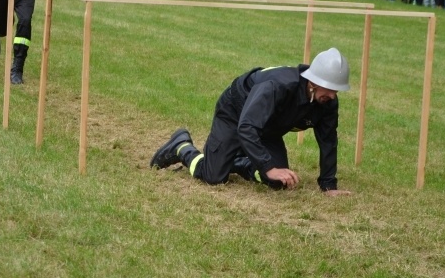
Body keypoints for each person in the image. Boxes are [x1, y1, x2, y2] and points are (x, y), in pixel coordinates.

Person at [150, 47, 353, 194]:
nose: (333, 95)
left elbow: (328, 141)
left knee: (280, 182)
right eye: (329, 88)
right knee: (213, 177)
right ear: (314, 82)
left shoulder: (327, 102)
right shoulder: (278, 86)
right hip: (235, 113)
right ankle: (182, 146)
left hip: (268, 127)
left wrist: (328, 186)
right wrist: (269, 167)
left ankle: (237, 161)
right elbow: (247, 127)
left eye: (337, 90)